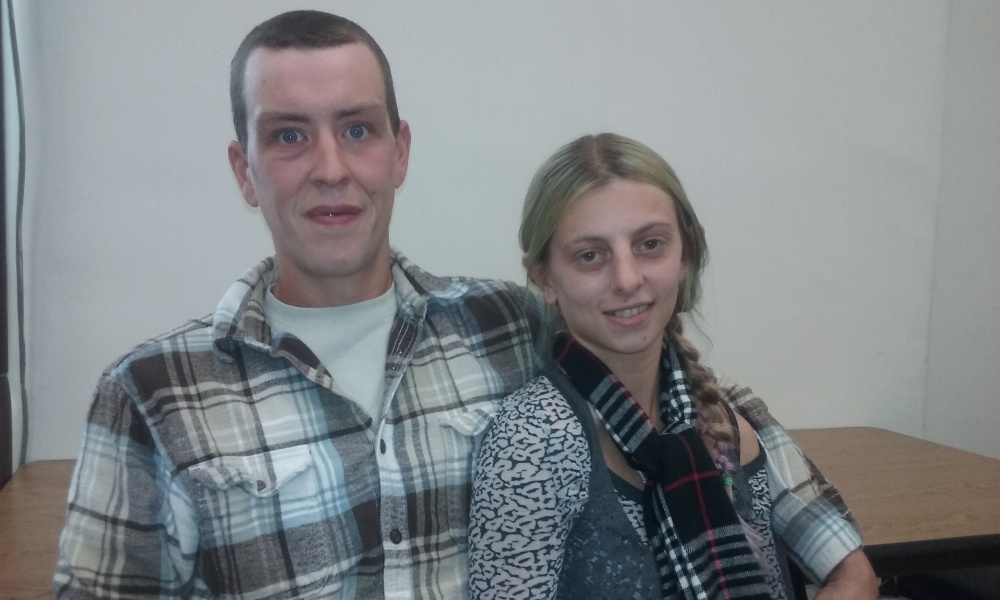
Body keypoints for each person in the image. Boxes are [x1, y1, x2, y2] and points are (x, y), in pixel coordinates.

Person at [54, 11, 541, 599]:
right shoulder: (148, 396)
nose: (331, 169)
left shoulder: (508, 327)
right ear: (245, 173)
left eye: (357, 130)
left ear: (400, 151)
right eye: (289, 136)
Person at [468, 133, 878, 599]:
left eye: (650, 244)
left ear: (686, 254)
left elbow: (853, 573)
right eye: (590, 255)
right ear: (544, 277)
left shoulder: (730, 410)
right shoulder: (532, 441)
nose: (627, 279)